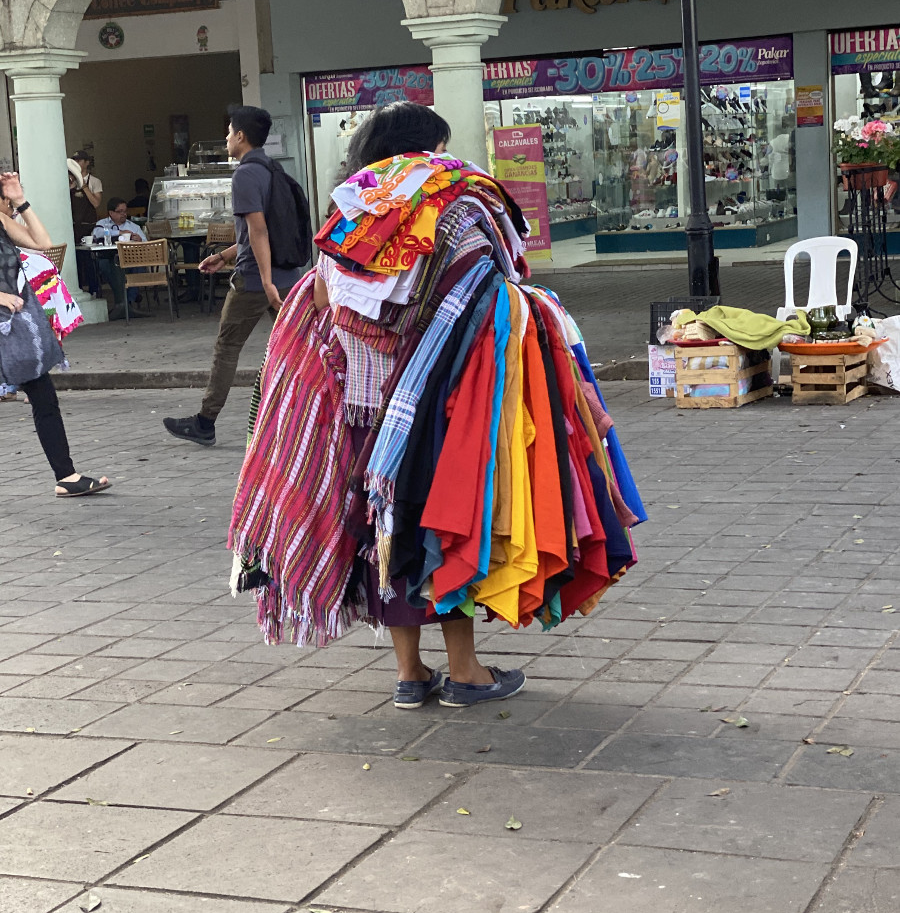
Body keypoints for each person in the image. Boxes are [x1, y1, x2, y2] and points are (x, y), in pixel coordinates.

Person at [229, 103, 645, 709]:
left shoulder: (351, 208)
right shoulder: (461, 202)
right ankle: (466, 669)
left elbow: (320, 294)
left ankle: (409, 673)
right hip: (441, 399)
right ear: (433, 147)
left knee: (381, 531)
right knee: (441, 527)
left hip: (361, 406)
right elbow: (499, 289)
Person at [162, 105, 306, 447]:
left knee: (227, 347)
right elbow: (258, 232)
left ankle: (205, 422)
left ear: (241, 136)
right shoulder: (273, 169)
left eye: (229, 132)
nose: (227, 138)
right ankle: (308, 417)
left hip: (257, 281)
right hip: (287, 275)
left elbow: (258, 231)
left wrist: (266, 281)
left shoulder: (244, 175)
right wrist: (224, 255)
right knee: (296, 348)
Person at [0, 172, 110, 497]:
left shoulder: (3, 222)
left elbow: (44, 244)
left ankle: (67, 476)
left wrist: (22, 202)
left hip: (13, 328)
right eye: (6, 197)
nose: (9, 203)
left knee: (43, 395)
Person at [92, 197, 148, 321]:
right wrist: (119, 233)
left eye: (125, 211)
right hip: (108, 258)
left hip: (131, 259)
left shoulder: (133, 226)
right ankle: (122, 302)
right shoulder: (103, 223)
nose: (123, 214)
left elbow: (146, 242)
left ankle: (126, 303)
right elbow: (96, 233)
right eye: (120, 211)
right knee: (105, 266)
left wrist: (140, 240)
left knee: (138, 267)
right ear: (111, 213)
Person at [69, 150, 102, 240]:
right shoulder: (68, 180)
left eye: (79, 161)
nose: (76, 163)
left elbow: (96, 203)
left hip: (89, 225)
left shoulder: (95, 181)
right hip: (73, 226)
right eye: (74, 161)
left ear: (87, 162)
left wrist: (84, 186)